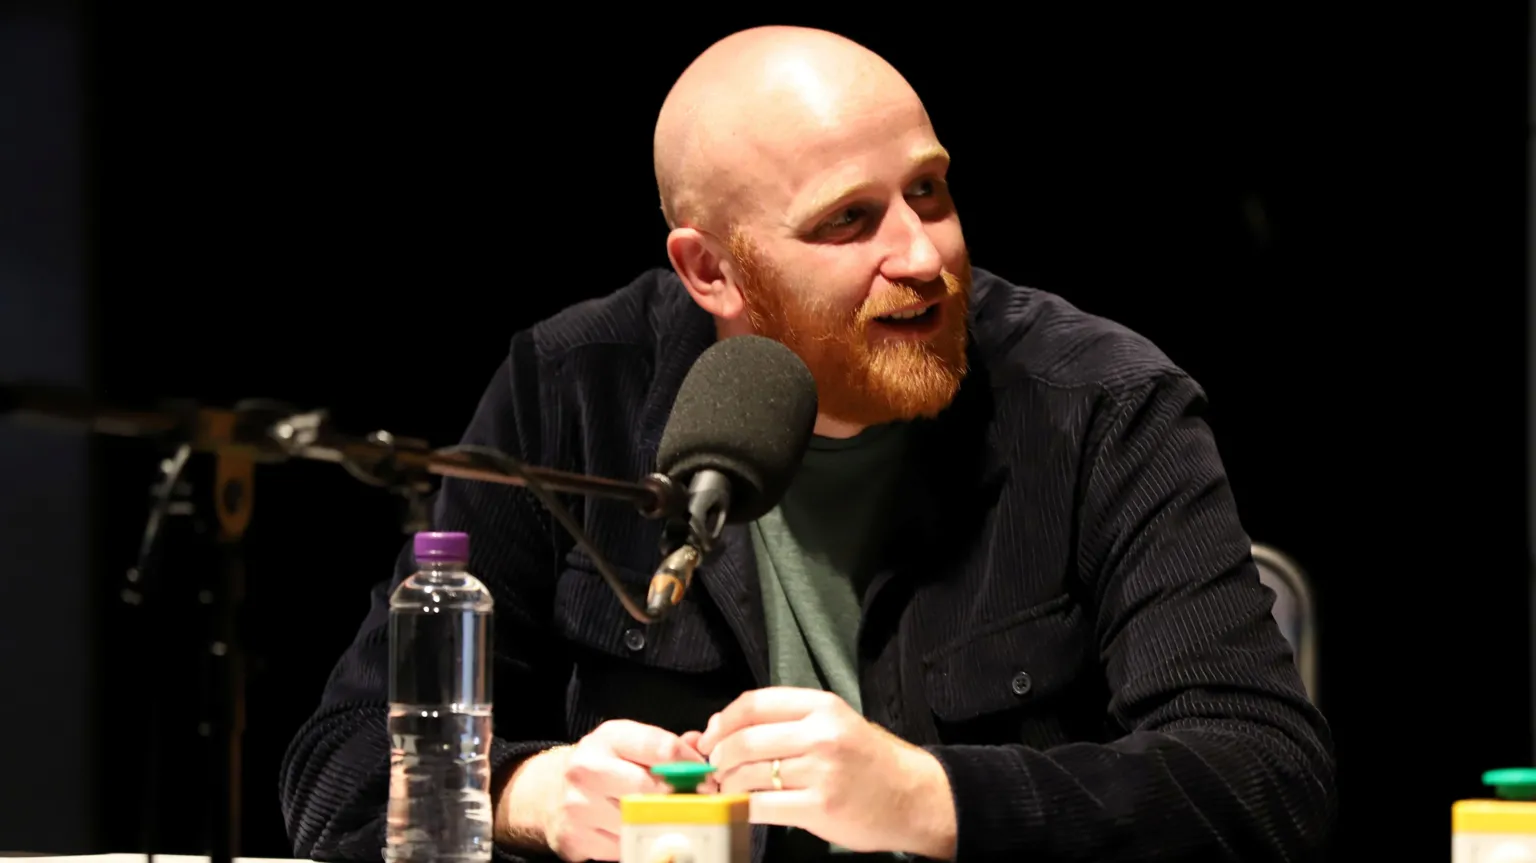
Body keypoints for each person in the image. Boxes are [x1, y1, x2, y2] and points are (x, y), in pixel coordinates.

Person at [279, 25, 1335, 863]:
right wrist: (529, 793)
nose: (923, 254)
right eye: (850, 221)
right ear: (711, 272)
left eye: (929, 191)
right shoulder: (572, 392)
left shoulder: (1101, 404)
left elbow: (1264, 778)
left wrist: (933, 798)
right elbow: (338, 765)